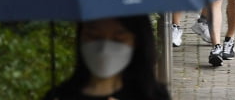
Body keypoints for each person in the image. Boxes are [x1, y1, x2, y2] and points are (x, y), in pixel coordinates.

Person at [42, 16, 171, 100]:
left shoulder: (154, 96)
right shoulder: (59, 96)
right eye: (94, 36)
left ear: (137, 41)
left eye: (118, 38)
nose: (104, 49)